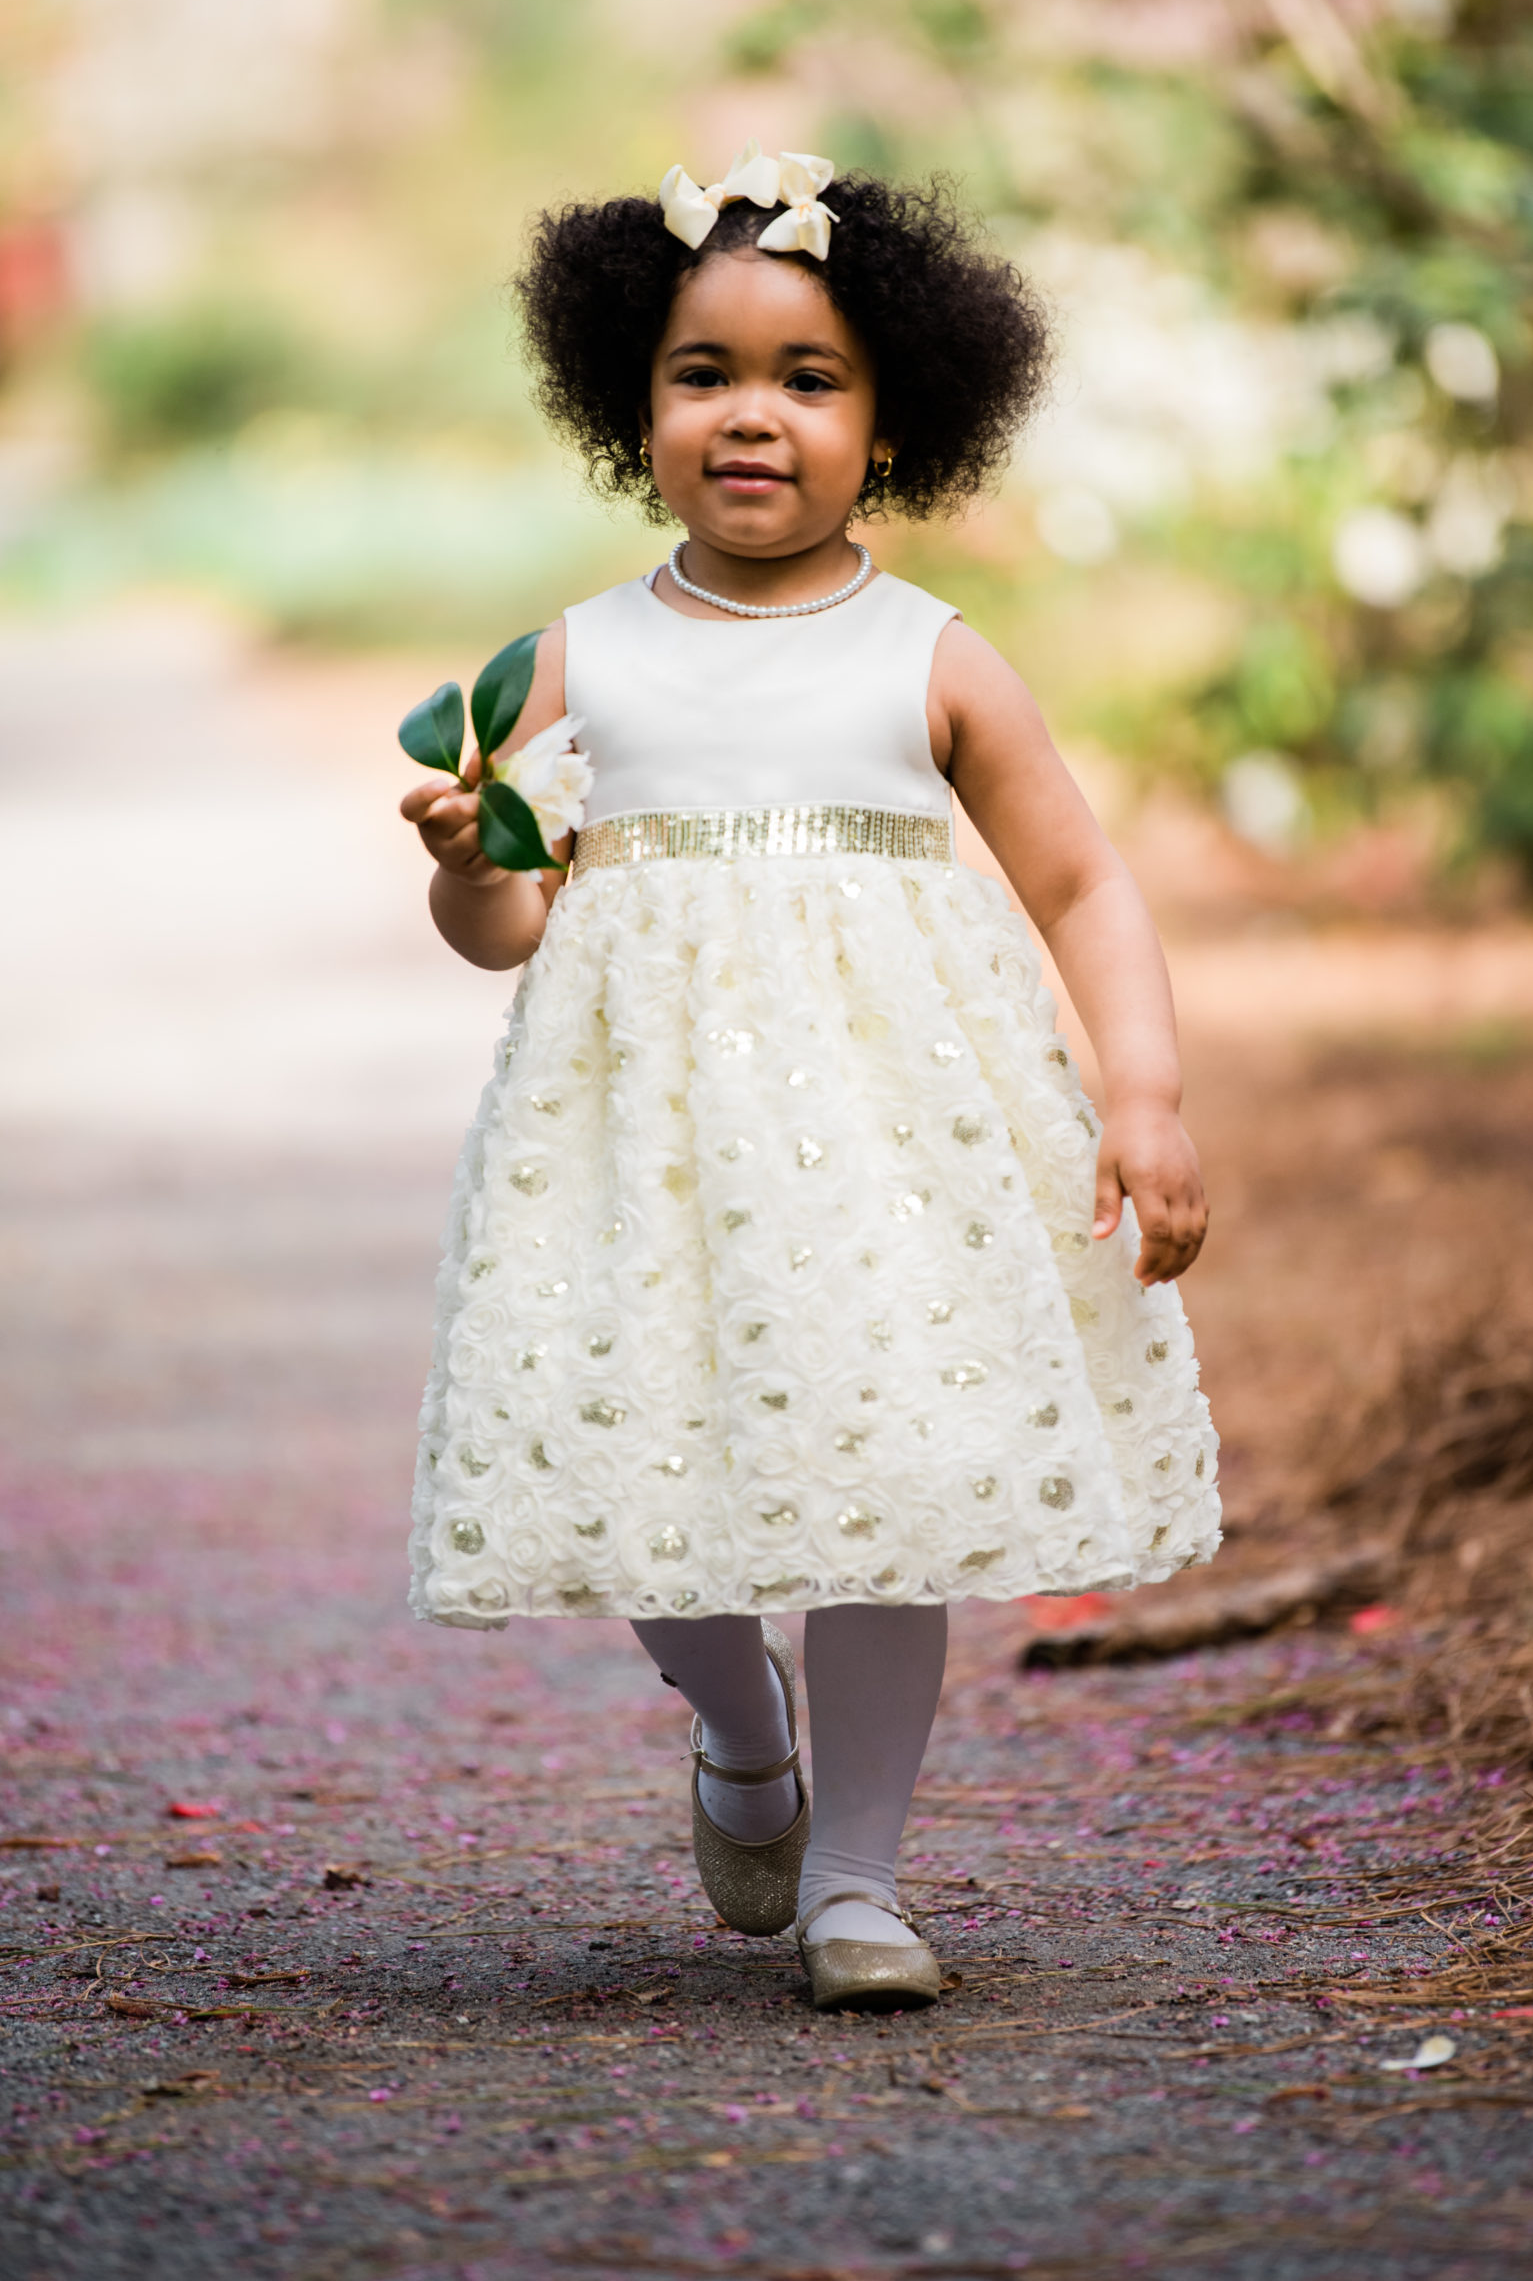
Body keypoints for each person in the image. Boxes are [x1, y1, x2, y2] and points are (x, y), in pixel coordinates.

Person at [400, 145, 1218, 2012]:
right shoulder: (574, 659)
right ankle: (736, 1731)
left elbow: (1083, 879)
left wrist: (1146, 1092)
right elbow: (507, 932)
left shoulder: (930, 655)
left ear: (890, 418)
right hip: (644, 1156)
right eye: (705, 374)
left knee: (885, 1486)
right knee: (645, 1478)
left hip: (885, 1155)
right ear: (637, 402)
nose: (751, 415)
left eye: (807, 377)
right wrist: (468, 856)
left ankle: (855, 1879)